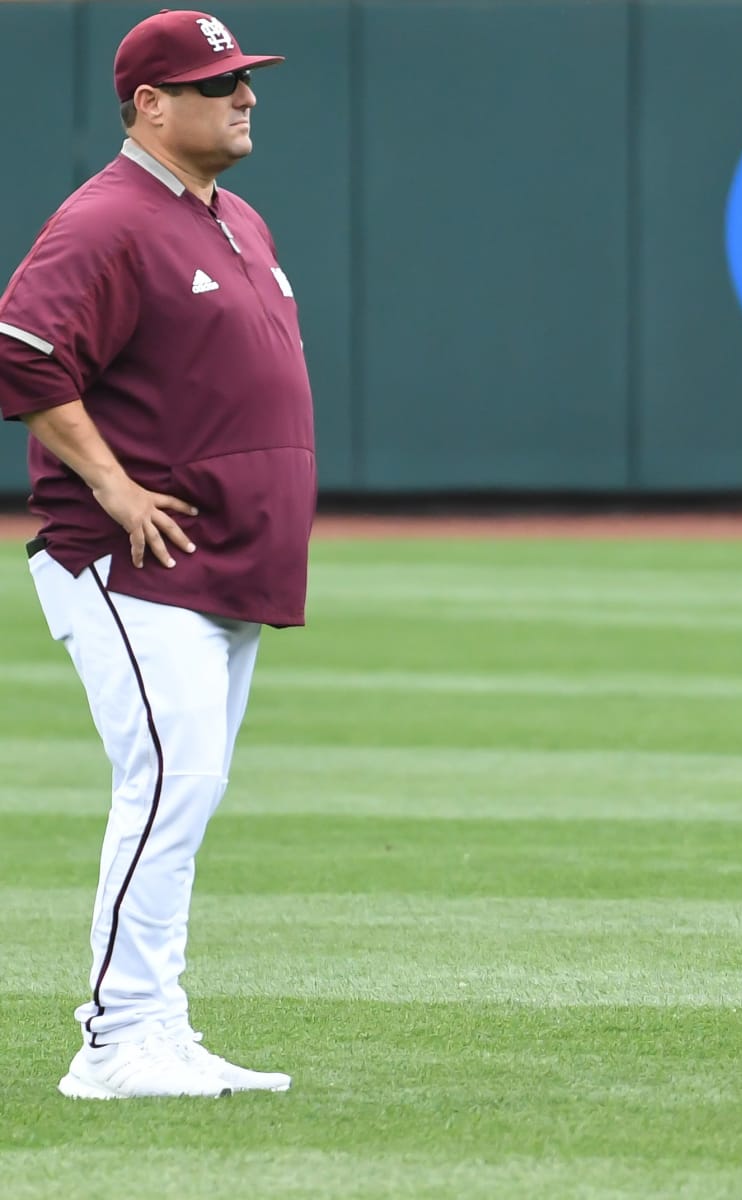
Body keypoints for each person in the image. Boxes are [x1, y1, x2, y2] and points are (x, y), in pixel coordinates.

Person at [0, 9, 315, 1099]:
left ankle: (160, 1027)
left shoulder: (238, 221)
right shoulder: (109, 218)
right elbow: (21, 353)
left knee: (194, 785)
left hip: (224, 556)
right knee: (171, 779)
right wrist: (113, 482)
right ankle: (114, 1041)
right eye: (218, 82)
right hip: (132, 559)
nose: (245, 96)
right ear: (149, 105)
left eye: (243, 79)